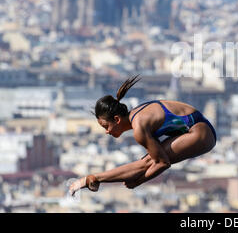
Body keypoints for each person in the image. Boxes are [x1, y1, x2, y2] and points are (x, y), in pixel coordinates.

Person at [69, 75, 217, 195]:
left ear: (117, 119)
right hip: (196, 128)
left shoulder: (139, 127)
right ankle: (94, 178)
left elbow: (162, 163)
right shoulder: (136, 113)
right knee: (147, 161)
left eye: (106, 126)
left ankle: (94, 178)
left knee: (148, 162)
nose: (107, 132)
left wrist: (138, 182)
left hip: (200, 133)